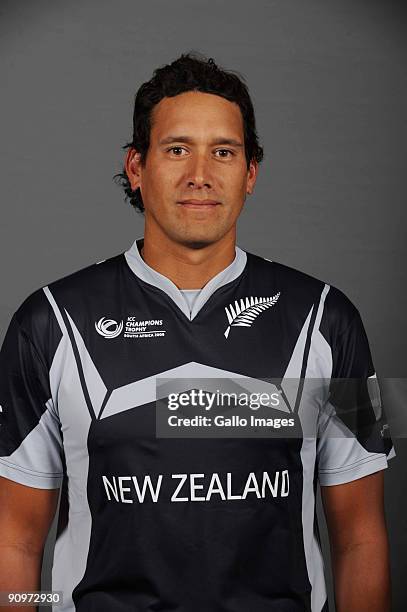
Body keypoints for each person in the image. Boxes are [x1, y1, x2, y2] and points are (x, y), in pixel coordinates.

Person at [0, 52, 395, 612]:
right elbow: (13, 541)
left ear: (251, 173)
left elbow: (360, 537)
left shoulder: (331, 319)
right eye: (177, 148)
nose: (200, 176)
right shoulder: (47, 321)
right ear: (137, 167)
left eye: (224, 152)